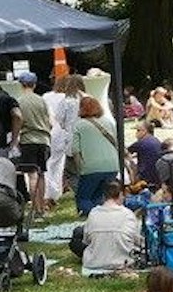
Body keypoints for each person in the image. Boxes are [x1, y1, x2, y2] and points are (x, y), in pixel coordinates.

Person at [75, 180, 143, 273]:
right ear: (120, 195)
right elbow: (137, 240)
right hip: (123, 261)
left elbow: (86, 240)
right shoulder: (128, 214)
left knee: (78, 234)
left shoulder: (93, 213)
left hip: (94, 262)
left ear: (103, 197)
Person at [69, 94, 119, 214]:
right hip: (112, 165)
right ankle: (102, 215)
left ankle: (93, 215)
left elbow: (75, 150)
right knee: (100, 195)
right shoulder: (109, 122)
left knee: (83, 197)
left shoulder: (79, 125)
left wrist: (80, 168)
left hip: (91, 166)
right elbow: (116, 142)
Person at [13, 70, 54, 214]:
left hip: (28, 140)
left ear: (21, 85)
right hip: (44, 140)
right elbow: (50, 121)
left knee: (32, 175)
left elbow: (18, 120)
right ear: (34, 85)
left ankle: (36, 208)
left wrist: (15, 138)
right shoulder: (42, 100)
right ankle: (42, 206)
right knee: (41, 174)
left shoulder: (18, 101)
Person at [45, 76, 83, 205]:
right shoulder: (82, 99)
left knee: (53, 164)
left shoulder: (51, 98)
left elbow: (58, 119)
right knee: (66, 165)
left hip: (58, 133)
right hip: (78, 135)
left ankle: (51, 192)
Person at [127, 121, 165, 188]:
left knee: (128, 162)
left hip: (144, 178)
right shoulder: (157, 141)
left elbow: (125, 152)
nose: (136, 133)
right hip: (157, 177)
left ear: (145, 131)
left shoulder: (141, 143)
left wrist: (130, 160)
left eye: (138, 130)